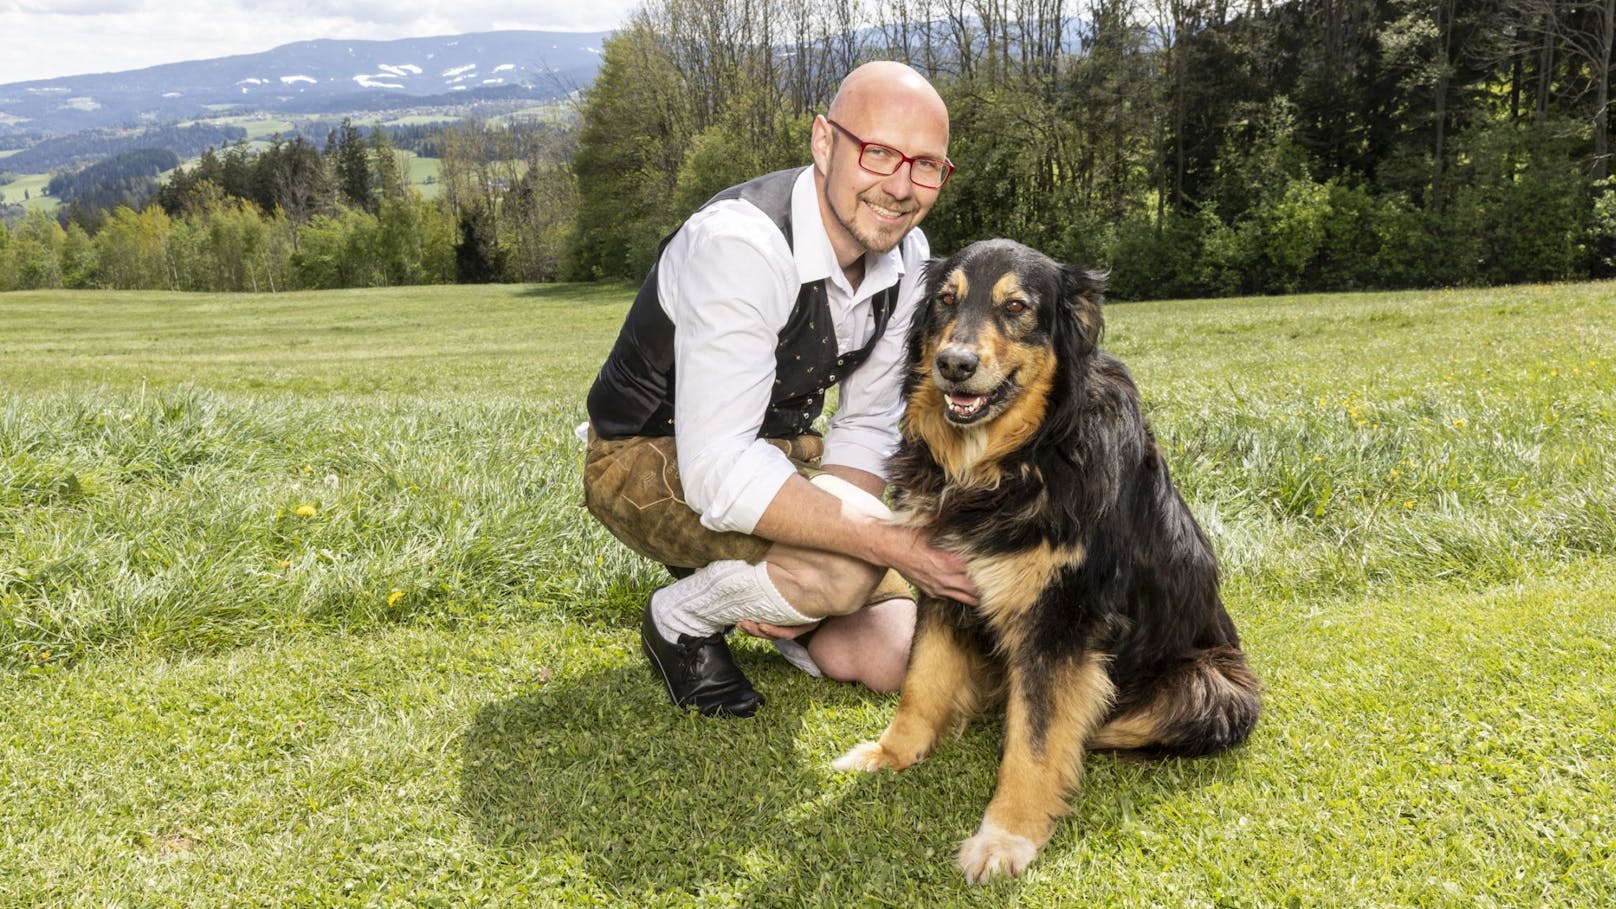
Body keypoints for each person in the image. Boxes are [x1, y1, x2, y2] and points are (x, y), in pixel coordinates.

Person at [582, 61, 978, 718]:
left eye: (927, 165)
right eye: (878, 153)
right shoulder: (743, 243)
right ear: (825, 142)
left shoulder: (910, 259)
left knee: (889, 653)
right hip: (647, 456)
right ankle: (680, 619)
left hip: (782, 455)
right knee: (847, 568)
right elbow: (718, 472)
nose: (901, 187)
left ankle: (773, 599)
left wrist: (827, 565)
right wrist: (874, 545)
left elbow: (868, 424)